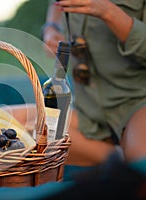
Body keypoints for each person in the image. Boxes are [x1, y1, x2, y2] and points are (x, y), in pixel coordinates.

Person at [40, 0, 146, 169]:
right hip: (88, 111)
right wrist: (50, 28)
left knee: (140, 165)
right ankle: (113, 159)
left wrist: (108, 11)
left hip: (137, 104)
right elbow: (56, 3)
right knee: (8, 124)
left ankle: (117, 161)